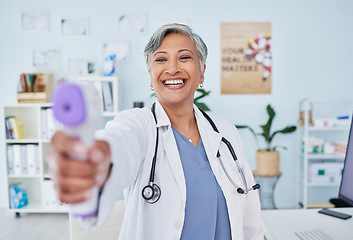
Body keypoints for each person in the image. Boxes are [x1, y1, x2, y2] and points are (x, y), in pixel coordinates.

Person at [49, 23, 264, 240]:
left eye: (185, 57)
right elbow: (120, 144)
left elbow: (250, 217)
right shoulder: (139, 125)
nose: (172, 69)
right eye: (161, 59)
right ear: (151, 75)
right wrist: (97, 163)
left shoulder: (225, 132)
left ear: (202, 73)